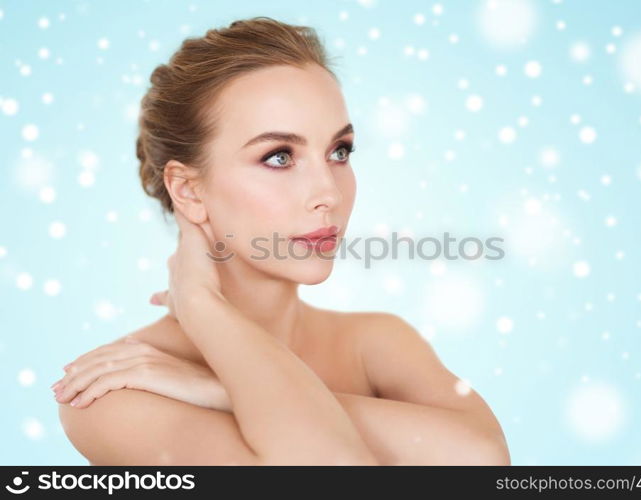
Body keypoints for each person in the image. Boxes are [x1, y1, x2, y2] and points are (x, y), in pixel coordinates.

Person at [53, 16, 510, 466]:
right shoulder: (112, 391)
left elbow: (486, 464)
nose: (329, 193)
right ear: (189, 190)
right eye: (278, 157)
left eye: (339, 152)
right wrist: (201, 307)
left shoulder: (376, 342)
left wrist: (223, 389)